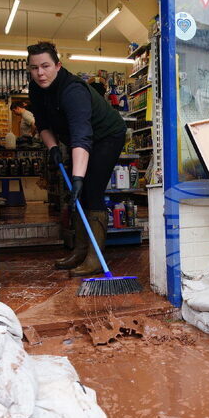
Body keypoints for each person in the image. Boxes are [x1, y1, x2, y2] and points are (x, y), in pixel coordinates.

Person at [27, 41, 127, 277]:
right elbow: (42, 124)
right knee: (76, 192)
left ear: (58, 65)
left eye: (45, 66)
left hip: (107, 136)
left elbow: (82, 135)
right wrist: (52, 147)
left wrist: (79, 176)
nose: (40, 73)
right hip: (76, 140)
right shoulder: (36, 88)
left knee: (91, 190)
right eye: (34, 68)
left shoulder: (73, 91)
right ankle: (80, 251)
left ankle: (94, 257)